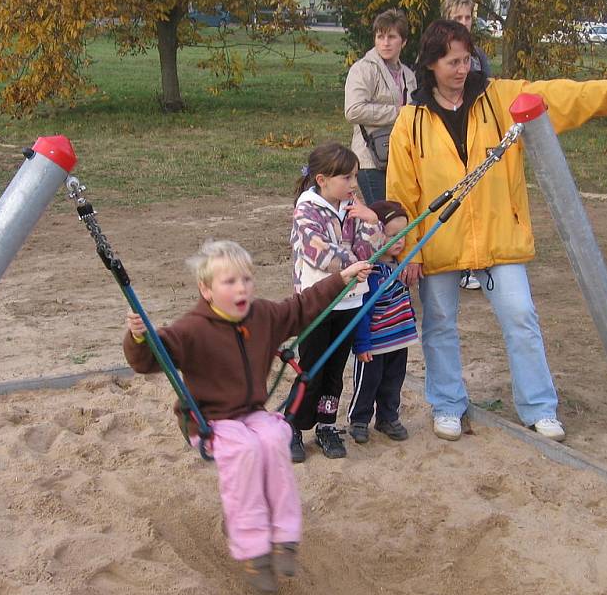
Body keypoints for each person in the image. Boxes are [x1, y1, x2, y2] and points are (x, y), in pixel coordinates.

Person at [386, 19, 607, 443]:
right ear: (430, 65)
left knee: (521, 318)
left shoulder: (500, 97)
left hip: (501, 240)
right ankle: (447, 404)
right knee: (440, 324)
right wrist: (410, 249)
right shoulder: (410, 120)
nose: (463, 69)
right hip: (439, 242)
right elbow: (401, 191)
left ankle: (539, 407)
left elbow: (562, 96)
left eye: (467, 59)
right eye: (452, 62)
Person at [123, 239, 371, 593]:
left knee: (274, 439)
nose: (241, 288)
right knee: (245, 451)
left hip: (251, 412)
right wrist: (138, 338)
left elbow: (303, 307)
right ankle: (253, 553)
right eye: (230, 282)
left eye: (246, 280)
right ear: (205, 290)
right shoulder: (191, 329)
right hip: (210, 421)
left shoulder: (264, 315)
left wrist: (342, 278)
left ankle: (284, 535)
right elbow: (150, 360)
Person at [289, 143, 383, 461]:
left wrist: (370, 219)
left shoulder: (353, 205)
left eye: (355, 176)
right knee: (311, 369)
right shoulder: (307, 209)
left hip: (350, 300)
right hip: (318, 300)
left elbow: (370, 249)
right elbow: (320, 253)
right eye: (347, 177)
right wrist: (354, 262)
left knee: (335, 371)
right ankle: (295, 426)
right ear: (322, 179)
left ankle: (327, 424)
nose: (353, 184)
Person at [347, 200, 418, 444]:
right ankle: (359, 419)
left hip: (399, 337)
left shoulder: (401, 266)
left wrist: (410, 322)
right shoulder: (371, 271)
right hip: (375, 342)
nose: (399, 241)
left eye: (404, 235)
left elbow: (403, 301)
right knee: (368, 382)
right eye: (392, 235)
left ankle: (388, 417)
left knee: (393, 382)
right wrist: (362, 343)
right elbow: (362, 310)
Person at [344, 8, 417, 205]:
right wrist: (399, 113)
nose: (385, 42)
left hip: (400, 157)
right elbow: (353, 110)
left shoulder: (409, 76)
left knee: (398, 218)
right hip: (371, 158)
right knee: (384, 218)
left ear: (403, 41)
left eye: (392, 37)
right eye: (380, 36)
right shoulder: (363, 69)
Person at [442, 0, 490, 292]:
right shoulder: (433, 54)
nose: (463, 24)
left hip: (475, 138)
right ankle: (455, 263)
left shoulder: (479, 57)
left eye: (468, 18)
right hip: (446, 140)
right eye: (457, 19)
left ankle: (477, 262)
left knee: (477, 200)